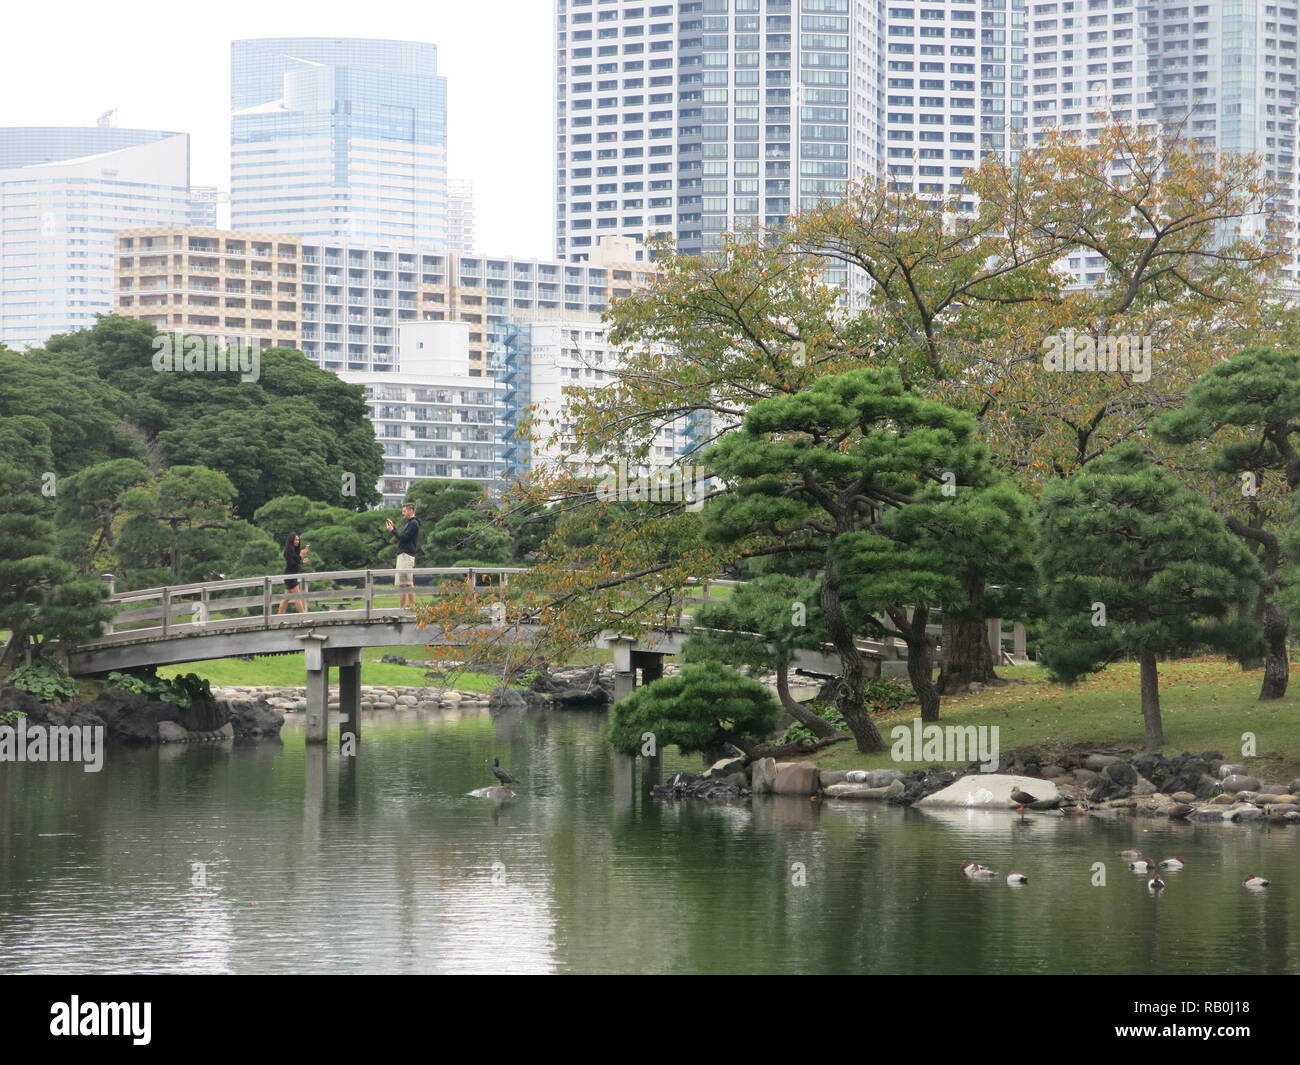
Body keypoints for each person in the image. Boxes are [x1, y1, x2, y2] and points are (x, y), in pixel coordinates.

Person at [385, 503, 421, 610]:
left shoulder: (413, 523)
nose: (403, 513)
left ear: (411, 510)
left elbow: (404, 538)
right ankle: (404, 608)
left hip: (406, 555)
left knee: (407, 583)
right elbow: (403, 536)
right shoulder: (411, 523)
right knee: (403, 583)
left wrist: (392, 530)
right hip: (404, 555)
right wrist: (394, 528)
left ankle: (409, 608)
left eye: (404, 511)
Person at [277, 532, 309, 614]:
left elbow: (296, 562)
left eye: (298, 540)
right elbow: (292, 564)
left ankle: (279, 618)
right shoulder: (288, 551)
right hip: (289, 577)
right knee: (297, 597)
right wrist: (301, 554)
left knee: (286, 599)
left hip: (292, 576)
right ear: (291, 540)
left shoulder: (293, 550)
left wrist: (302, 562)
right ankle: (304, 617)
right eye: (296, 540)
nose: (297, 542)